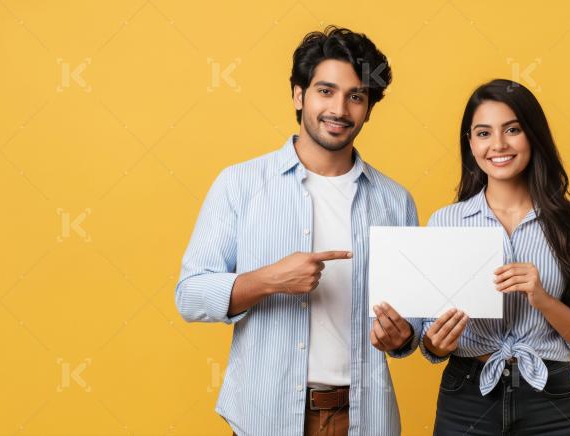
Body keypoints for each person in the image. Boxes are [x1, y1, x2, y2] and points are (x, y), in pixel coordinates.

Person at [175, 26, 418, 436]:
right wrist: (270, 279)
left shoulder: (396, 202)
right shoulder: (240, 184)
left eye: (356, 96)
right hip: (264, 417)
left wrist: (402, 335)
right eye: (326, 91)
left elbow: (412, 327)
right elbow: (190, 295)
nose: (339, 109)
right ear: (298, 95)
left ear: (369, 108)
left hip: (365, 418)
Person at [418, 79, 570, 435]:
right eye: (483, 133)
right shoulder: (445, 222)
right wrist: (434, 343)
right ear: (470, 143)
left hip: (550, 395)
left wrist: (542, 300)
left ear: (533, 136)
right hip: (467, 393)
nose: (498, 145)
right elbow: (429, 337)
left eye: (512, 129)